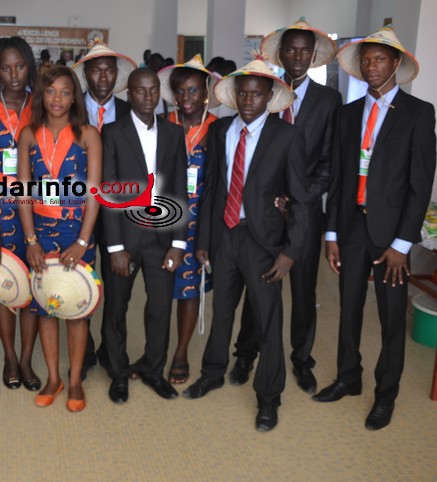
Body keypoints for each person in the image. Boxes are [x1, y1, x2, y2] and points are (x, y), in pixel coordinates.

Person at [314, 27, 436, 430]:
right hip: (350, 229)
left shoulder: (419, 114)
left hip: (392, 238)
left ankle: (386, 395)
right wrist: (331, 235)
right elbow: (339, 180)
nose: (371, 66)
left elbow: (420, 187)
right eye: (365, 60)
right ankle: (349, 378)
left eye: (379, 59)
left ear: (396, 64)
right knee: (348, 309)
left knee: (389, 319)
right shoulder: (347, 114)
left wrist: (403, 244)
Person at [182, 58, 308, 432]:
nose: (249, 100)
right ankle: (212, 373)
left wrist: (290, 251)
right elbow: (213, 189)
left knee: (268, 321)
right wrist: (204, 238)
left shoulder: (286, 137)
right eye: (243, 93)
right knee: (222, 311)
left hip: (265, 241)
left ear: (270, 97)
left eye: (257, 94)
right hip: (224, 235)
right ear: (234, 95)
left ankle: (269, 397)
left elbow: (300, 198)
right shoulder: (220, 130)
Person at [230, 19, 342, 394]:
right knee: (256, 283)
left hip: (305, 211)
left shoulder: (328, 101)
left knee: (304, 289)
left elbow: (329, 161)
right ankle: (245, 352)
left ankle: (301, 358)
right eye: (290, 50)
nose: (297, 56)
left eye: (304, 51)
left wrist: (299, 197)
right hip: (260, 211)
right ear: (280, 54)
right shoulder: (266, 93)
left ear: (313, 55)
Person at [16, 65, 102, 412]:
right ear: (41, 94)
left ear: (74, 97)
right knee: (46, 308)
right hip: (41, 233)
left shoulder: (87, 134)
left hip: (75, 234)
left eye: (65, 92)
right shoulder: (28, 134)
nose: (57, 99)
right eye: (51, 91)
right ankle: (54, 377)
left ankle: (76, 378)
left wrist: (82, 240)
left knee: (77, 311)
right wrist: (31, 240)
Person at [101, 68, 188, 404]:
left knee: (160, 307)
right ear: (129, 93)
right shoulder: (113, 132)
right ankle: (119, 372)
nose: (148, 97)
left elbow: (179, 186)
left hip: (163, 237)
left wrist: (179, 243)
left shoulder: (172, 132)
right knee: (116, 308)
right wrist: (115, 247)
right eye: (141, 91)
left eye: (154, 91)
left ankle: (153, 369)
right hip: (125, 237)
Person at [0, 36, 41, 391]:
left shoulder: (41, 104)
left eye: (20, 66)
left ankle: (27, 359)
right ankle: (10, 356)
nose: (14, 74)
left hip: (36, 205)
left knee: (31, 284)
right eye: (5, 67)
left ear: (29, 66)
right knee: (2, 285)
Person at [72, 40, 136, 377]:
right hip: (75, 209)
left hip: (115, 213)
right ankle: (82, 354)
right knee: (80, 280)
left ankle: (112, 350)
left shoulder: (129, 111)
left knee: (116, 288)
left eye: (110, 70)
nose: (103, 76)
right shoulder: (70, 109)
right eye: (96, 69)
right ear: (85, 73)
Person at [157, 55, 218, 384]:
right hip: (162, 218)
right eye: (180, 91)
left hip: (200, 222)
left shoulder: (216, 129)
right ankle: (156, 352)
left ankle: (180, 352)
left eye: (193, 91)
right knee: (159, 289)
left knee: (190, 290)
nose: (186, 98)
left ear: (206, 94)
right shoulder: (162, 123)